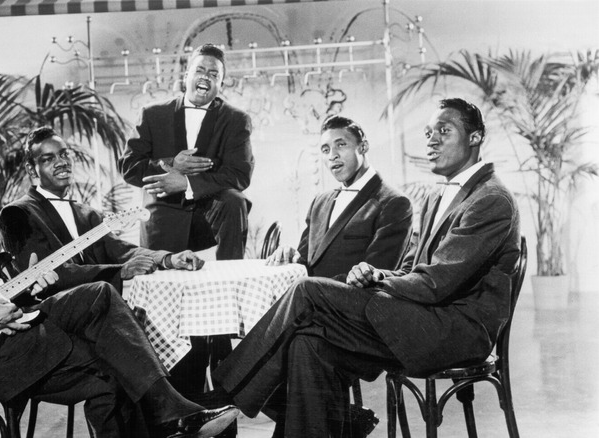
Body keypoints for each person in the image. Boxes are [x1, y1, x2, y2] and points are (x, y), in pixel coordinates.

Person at [0, 137, 238, 438]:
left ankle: (174, 414)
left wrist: (28, 288)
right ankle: (175, 413)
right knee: (111, 342)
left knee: (113, 358)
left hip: (5, 342)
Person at [208, 98, 521, 437]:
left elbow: (436, 283)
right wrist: (380, 274)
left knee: (306, 290)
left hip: (454, 331)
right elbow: (414, 269)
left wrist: (375, 284)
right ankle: (336, 421)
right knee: (308, 343)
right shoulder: (437, 196)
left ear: (475, 138)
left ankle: (225, 393)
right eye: (429, 132)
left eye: (443, 132)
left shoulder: (490, 199)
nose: (430, 141)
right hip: (426, 317)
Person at [0, 126, 204, 295]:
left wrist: (168, 259)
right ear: (32, 169)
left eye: (63, 154)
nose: (61, 162)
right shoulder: (17, 213)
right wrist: (120, 271)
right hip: (55, 320)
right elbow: (48, 273)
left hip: (101, 308)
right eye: (48, 159)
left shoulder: (87, 213)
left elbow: (122, 250)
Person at [119, 43, 254, 261]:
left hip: (209, 216)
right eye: (200, 70)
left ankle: (232, 274)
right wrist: (172, 164)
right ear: (186, 75)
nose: (206, 77)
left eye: (214, 74)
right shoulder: (152, 114)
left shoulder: (235, 120)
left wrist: (189, 184)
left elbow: (239, 174)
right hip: (163, 214)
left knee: (235, 200)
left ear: (221, 83)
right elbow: (129, 166)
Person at [266, 115, 413, 280]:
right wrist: (292, 257)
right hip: (307, 300)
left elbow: (374, 279)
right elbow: (306, 265)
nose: (332, 156)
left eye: (341, 145)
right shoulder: (319, 203)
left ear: (363, 147)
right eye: (325, 150)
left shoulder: (394, 203)